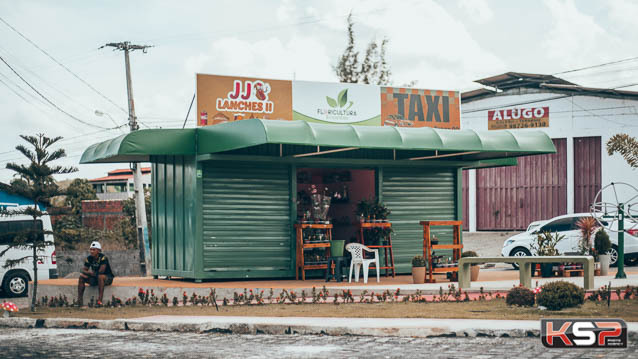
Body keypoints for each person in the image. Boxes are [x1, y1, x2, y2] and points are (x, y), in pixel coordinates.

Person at [77, 241, 114, 306]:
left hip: (107, 278)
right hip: (95, 277)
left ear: (99, 250)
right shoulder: (89, 258)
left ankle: (99, 301)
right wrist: (90, 273)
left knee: (100, 276)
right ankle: (79, 301)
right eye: (91, 249)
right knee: (81, 277)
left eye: (94, 250)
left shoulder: (103, 258)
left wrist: (90, 273)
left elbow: (101, 272)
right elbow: (84, 270)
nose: (91, 251)